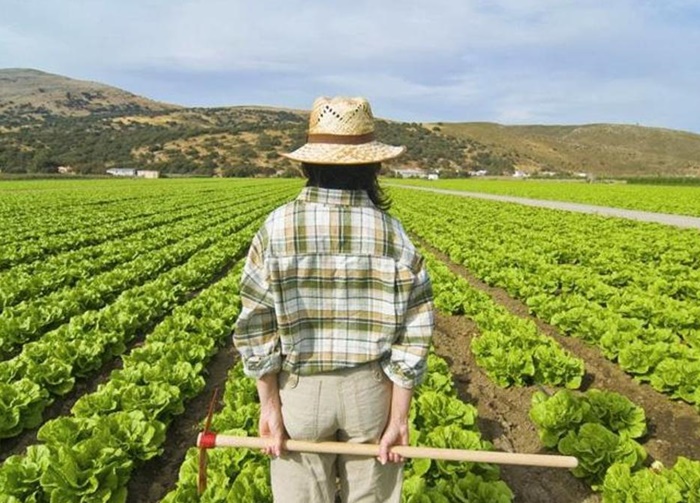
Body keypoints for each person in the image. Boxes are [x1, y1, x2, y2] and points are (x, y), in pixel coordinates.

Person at [233, 96, 434, 503]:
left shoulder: (277, 227)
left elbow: (256, 325)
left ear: (308, 164)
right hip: (370, 393)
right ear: (374, 164)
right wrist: (399, 417)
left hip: (301, 392)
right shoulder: (393, 234)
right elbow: (416, 333)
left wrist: (269, 405)